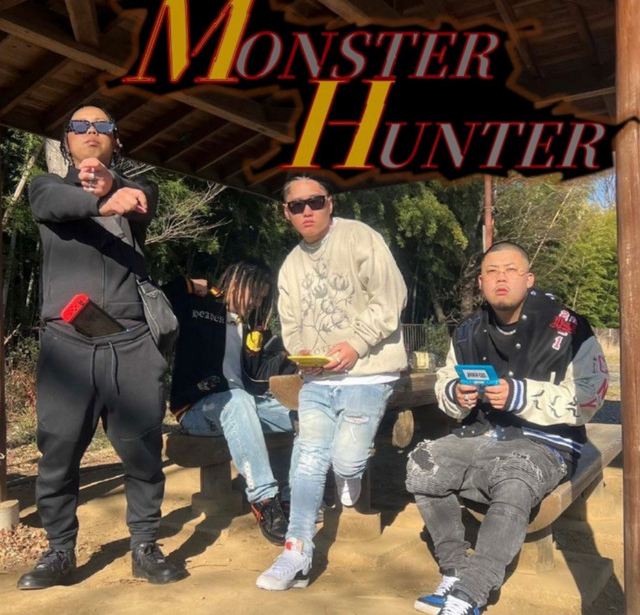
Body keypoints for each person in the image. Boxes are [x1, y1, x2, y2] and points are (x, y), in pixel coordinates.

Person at [18, 104, 185, 590]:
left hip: (131, 344)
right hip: (66, 345)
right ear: (66, 141)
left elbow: (143, 201)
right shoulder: (46, 187)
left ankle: (145, 546)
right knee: (58, 452)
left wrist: (113, 189)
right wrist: (97, 202)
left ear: (116, 139)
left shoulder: (137, 189)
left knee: (142, 451)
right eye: (80, 126)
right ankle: (59, 551)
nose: (91, 131)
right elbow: (51, 204)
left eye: (102, 125)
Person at [406, 241, 609, 615]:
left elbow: (591, 395)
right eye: (492, 271)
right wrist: (456, 394)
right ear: (481, 282)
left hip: (546, 442)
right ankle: (455, 571)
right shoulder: (467, 331)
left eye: (511, 270)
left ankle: (472, 593)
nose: (501, 277)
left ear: (529, 279)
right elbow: (445, 380)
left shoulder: (569, 327)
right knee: (423, 465)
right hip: (481, 434)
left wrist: (521, 394)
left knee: (514, 477)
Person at [257, 175, 408, 590]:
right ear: (286, 213)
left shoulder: (360, 238)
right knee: (307, 458)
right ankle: (297, 551)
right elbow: (290, 325)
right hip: (318, 379)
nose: (307, 211)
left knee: (346, 460)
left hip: (369, 372)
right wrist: (302, 352)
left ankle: (349, 472)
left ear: (330, 203)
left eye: (315, 201)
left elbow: (391, 297)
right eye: (296, 205)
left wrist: (356, 344)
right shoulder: (290, 265)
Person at [162, 259, 297, 544]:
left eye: (262, 298)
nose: (257, 302)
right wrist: (186, 285)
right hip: (198, 407)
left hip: (245, 404)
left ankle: (290, 495)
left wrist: (287, 358)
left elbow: (259, 374)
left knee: (301, 412)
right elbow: (160, 298)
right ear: (237, 281)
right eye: (255, 294)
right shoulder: (201, 305)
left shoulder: (253, 328)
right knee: (237, 400)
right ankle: (264, 500)